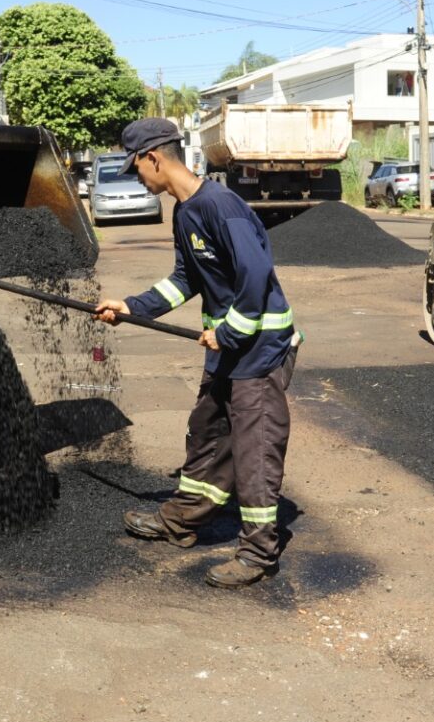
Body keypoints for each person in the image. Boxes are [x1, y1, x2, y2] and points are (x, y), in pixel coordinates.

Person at [95, 117, 299, 589]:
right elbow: (186, 278)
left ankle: (258, 553)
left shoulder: (220, 206)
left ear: (153, 158)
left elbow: (256, 274)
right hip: (229, 349)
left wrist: (229, 332)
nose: (137, 178)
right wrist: (132, 307)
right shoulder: (185, 212)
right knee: (207, 431)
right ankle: (183, 520)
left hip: (259, 349)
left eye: (135, 168)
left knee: (254, 448)